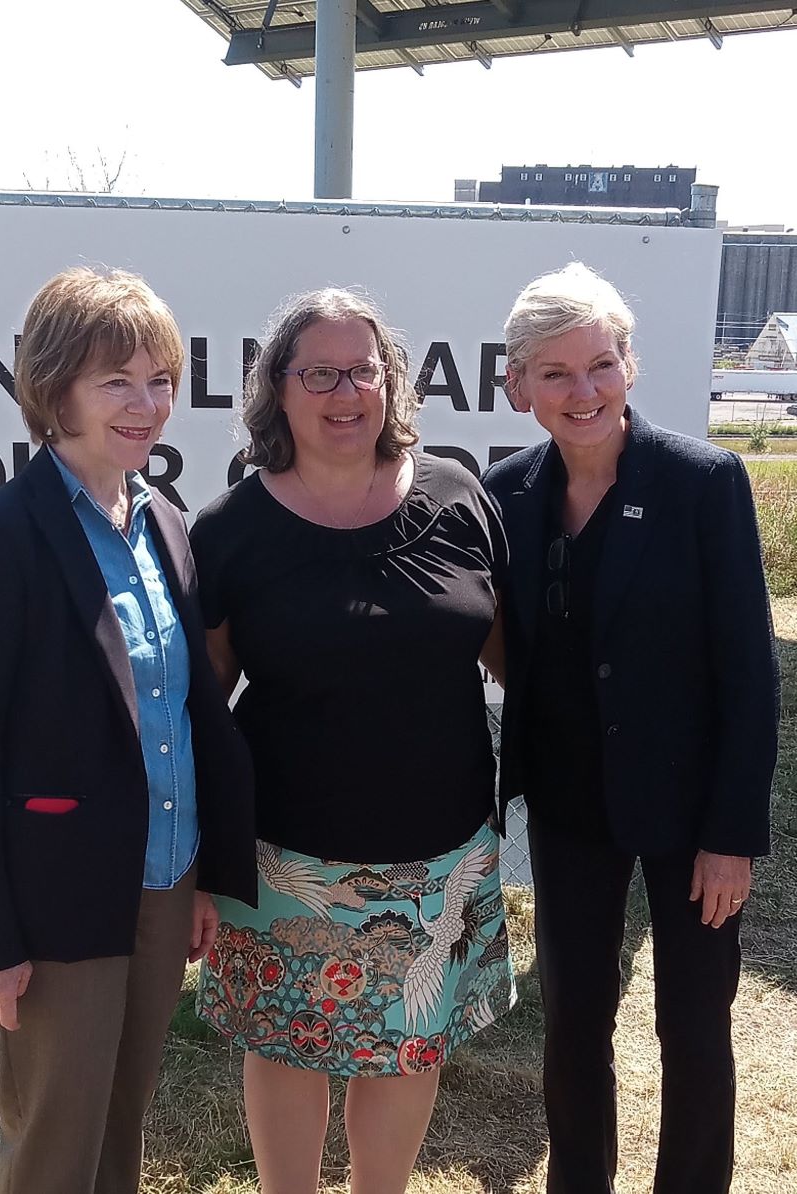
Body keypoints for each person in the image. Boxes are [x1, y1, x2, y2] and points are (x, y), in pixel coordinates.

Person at [0, 267, 256, 1194]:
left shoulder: (163, 522)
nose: (147, 404)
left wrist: (199, 878)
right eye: (116, 381)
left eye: (160, 379)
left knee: (122, 1123)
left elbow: (184, 713)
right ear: (54, 386)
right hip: (55, 896)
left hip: (163, 878)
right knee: (53, 1144)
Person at [189, 287, 517, 1194]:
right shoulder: (230, 532)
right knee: (288, 1047)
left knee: (409, 1051)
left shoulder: (457, 495)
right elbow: (204, 711)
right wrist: (194, 862)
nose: (344, 391)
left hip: (439, 848)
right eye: (318, 372)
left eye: (362, 369)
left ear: (392, 382)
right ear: (277, 392)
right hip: (284, 854)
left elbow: (511, 659)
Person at [481, 262, 779, 1194]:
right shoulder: (506, 493)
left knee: (694, 1021)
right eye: (557, 373)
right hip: (571, 804)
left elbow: (749, 673)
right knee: (574, 1019)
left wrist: (731, 838)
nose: (585, 392)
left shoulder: (703, 482)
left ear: (630, 369)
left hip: (692, 810)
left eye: (601, 365)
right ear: (519, 386)